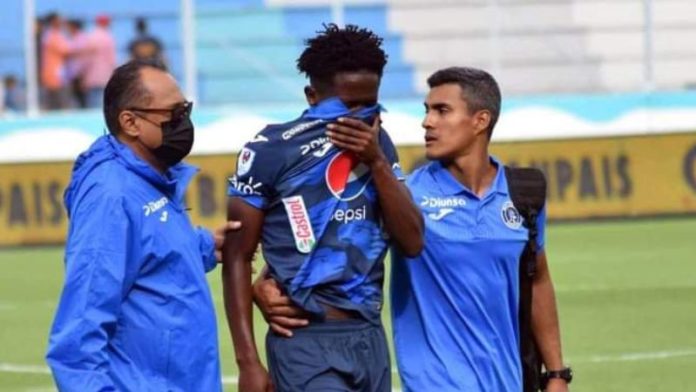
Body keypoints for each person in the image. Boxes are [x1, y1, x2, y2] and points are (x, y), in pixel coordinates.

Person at [253, 67, 571, 392]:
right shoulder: (405, 195)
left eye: (441, 111)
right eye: (426, 110)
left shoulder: (524, 194)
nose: (427, 122)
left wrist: (557, 374)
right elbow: (323, 242)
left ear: (480, 120)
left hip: (508, 381)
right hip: (433, 383)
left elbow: (538, 278)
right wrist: (263, 283)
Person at [222, 24, 424, 392]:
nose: (359, 116)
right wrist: (248, 362)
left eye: (370, 104)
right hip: (304, 340)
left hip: (368, 337)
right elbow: (237, 257)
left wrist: (377, 161)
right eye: (348, 105)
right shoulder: (270, 149)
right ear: (312, 96)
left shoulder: (379, 146)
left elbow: (411, 241)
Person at [46, 60, 239, 391]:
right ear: (130, 122)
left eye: (186, 110)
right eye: (173, 114)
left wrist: (204, 245)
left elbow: (151, 252)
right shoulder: (111, 194)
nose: (184, 123)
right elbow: (80, 329)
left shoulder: (148, 179)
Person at [82, 14, 116, 108]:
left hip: (91, 75)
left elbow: (86, 58)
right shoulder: (108, 37)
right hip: (105, 75)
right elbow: (111, 59)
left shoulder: (91, 36)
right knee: (103, 104)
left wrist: (84, 75)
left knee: (91, 105)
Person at [40, 12, 70, 110]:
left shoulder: (50, 35)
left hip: (55, 72)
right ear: (53, 21)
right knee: (59, 102)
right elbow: (66, 49)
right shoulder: (52, 35)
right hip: (55, 73)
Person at [66, 19, 88, 108]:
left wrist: (82, 74)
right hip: (74, 74)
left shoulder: (81, 39)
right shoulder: (72, 38)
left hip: (80, 74)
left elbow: (83, 58)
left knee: (82, 99)